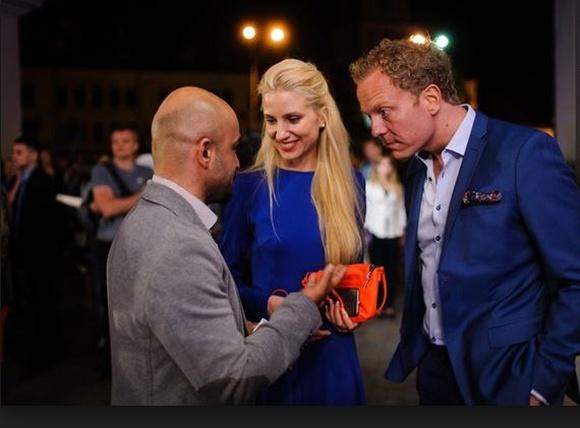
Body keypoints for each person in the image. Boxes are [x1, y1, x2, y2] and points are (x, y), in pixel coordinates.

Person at [350, 37, 580, 405]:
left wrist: (542, 382)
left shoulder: (524, 153)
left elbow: (574, 277)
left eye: (384, 111)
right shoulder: (415, 168)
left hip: (509, 374)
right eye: (369, 116)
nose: (375, 128)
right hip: (435, 372)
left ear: (431, 98)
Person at [107, 86, 345, 405]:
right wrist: (303, 305)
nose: (237, 163)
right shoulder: (178, 245)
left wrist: (255, 332)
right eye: (234, 149)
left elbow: (178, 330)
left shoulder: (146, 218)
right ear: (205, 152)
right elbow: (233, 380)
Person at [219, 58, 366, 405]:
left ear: (322, 116)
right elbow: (224, 279)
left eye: (293, 118)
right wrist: (269, 305)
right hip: (273, 356)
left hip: (334, 356)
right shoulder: (248, 187)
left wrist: (352, 310)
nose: (279, 132)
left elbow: (352, 272)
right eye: (271, 120)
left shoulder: (351, 184)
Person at [89, 127, 152, 375]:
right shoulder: (102, 171)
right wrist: (143, 195)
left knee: (139, 302)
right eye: (115, 141)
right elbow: (107, 207)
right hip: (109, 244)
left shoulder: (147, 172)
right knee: (110, 304)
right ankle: (111, 360)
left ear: (136, 145)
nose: (119, 145)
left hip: (139, 245)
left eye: (125, 141)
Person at [364, 153, 406, 318]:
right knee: (376, 270)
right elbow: (365, 209)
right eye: (383, 164)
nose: (386, 167)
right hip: (375, 232)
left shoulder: (397, 187)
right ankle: (377, 304)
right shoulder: (369, 186)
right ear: (377, 167)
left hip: (393, 233)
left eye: (389, 164)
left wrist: (402, 231)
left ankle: (389, 305)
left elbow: (401, 210)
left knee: (391, 270)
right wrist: (364, 229)